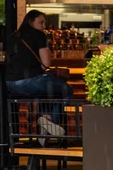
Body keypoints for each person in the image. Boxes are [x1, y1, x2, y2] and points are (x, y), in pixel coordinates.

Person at [6, 10, 73, 143]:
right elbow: (46, 63)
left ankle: (45, 123)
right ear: (31, 21)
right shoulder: (39, 35)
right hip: (30, 81)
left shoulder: (13, 36)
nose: (44, 26)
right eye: (41, 22)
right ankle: (51, 122)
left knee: (47, 92)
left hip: (11, 84)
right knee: (66, 89)